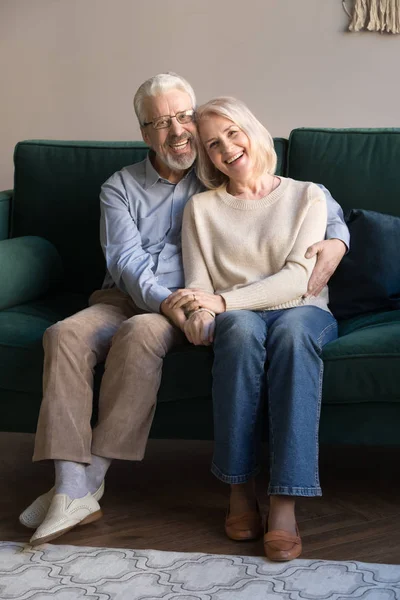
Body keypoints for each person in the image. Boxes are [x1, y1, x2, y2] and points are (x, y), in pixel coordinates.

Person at [19, 74, 348, 548]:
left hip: (194, 302)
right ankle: (73, 483)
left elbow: (303, 201)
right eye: (159, 122)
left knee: (143, 335)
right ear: (144, 132)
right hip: (136, 295)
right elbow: (125, 261)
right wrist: (176, 304)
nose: (176, 132)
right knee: (63, 335)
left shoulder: (219, 165)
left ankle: (91, 481)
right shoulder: (122, 186)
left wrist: (339, 239)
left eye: (182, 118)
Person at [165, 96, 339, 561]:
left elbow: (298, 280)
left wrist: (221, 302)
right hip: (236, 315)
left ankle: (284, 502)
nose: (226, 148)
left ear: (252, 131)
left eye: (232, 133)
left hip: (301, 308)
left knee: (293, 334)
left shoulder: (308, 195)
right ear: (205, 155)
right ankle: (239, 490)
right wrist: (199, 318)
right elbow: (198, 286)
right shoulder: (200, 209)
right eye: (212, 143)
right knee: (239, 333)